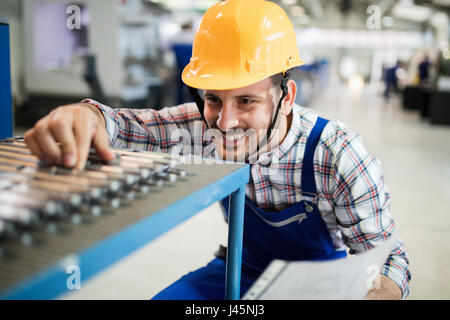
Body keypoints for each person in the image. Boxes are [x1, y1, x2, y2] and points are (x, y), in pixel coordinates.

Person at [24, 0, 410, 299]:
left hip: (321, 283)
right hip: (241, 270)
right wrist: (85, 115)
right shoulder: (199, 126)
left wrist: (378, 290)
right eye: (213, 99)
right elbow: (126, 126)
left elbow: (390, 259)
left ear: (287, 97)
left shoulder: (336, 154)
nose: (224, 123)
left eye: (246, 101)